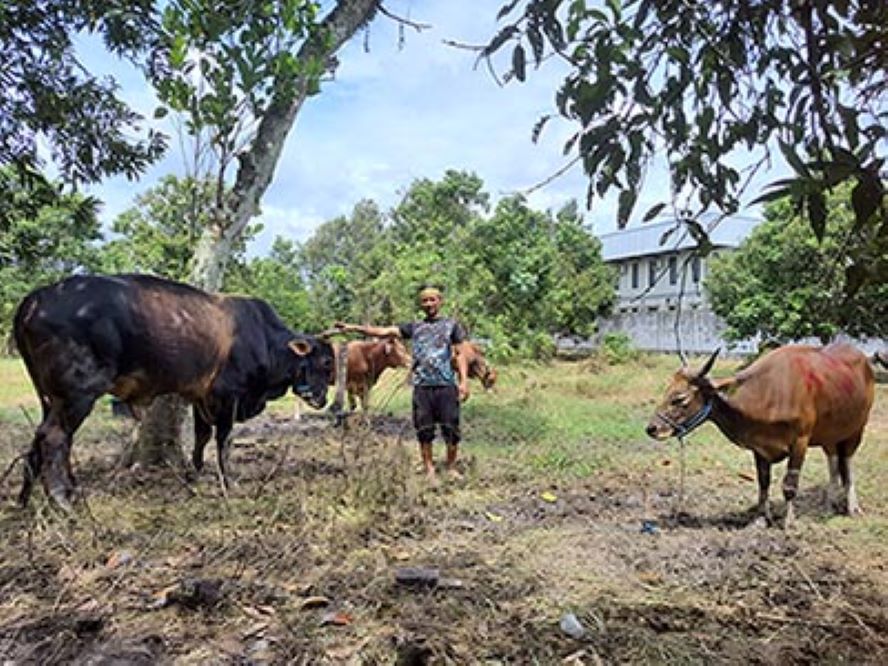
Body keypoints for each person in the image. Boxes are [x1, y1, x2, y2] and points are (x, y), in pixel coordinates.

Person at [336, 285, 471, 480]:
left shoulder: (452, 326)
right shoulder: (414, 327)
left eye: (433, 300)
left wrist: (464, 381)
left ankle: (451, 467)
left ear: (440, 302)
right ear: (421, 304)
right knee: (424, 428)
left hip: (446, 385)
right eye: (425, 300)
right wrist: (353, 328)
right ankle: (429, 468)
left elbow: (460, 355)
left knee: (451, 427)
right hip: (422, 386)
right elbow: (383, 332)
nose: (429, 304)